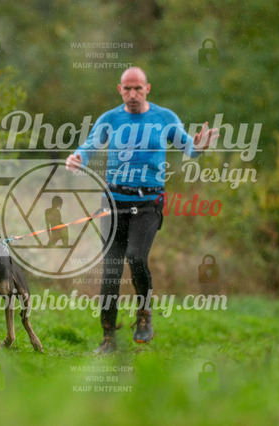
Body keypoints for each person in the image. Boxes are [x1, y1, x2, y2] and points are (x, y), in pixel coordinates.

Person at [65, 66, 219, 353]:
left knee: (136, 257)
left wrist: (200, 147)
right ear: (120, 90)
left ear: (147, 89)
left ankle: (144, 313)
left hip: (148, 201)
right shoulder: (110, 119)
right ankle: (108, 338)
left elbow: (189, 148)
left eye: (138, 88)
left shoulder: (164, 118)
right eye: (127, 89)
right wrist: (77, 159)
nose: (133, 94)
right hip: (113, 201)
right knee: (111, 269)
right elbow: (88, 147)